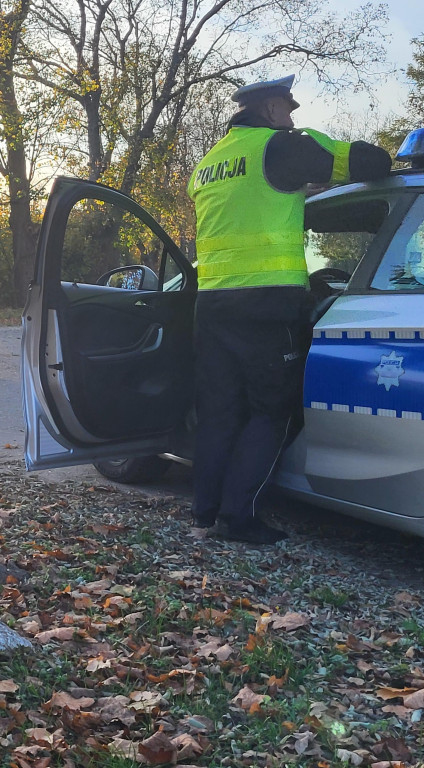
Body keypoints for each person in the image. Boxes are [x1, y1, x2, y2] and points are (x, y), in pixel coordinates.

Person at [186, 75, 391, 544]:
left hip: (212, 302)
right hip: (268, 304)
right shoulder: (281, 147)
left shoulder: (209, 163)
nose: (293, 118)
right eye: (289, 109)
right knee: (272, 412)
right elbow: (369, 163)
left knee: (219, 412)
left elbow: (251, 211)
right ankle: (238, 520)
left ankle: (205, 512)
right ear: (273, 109)